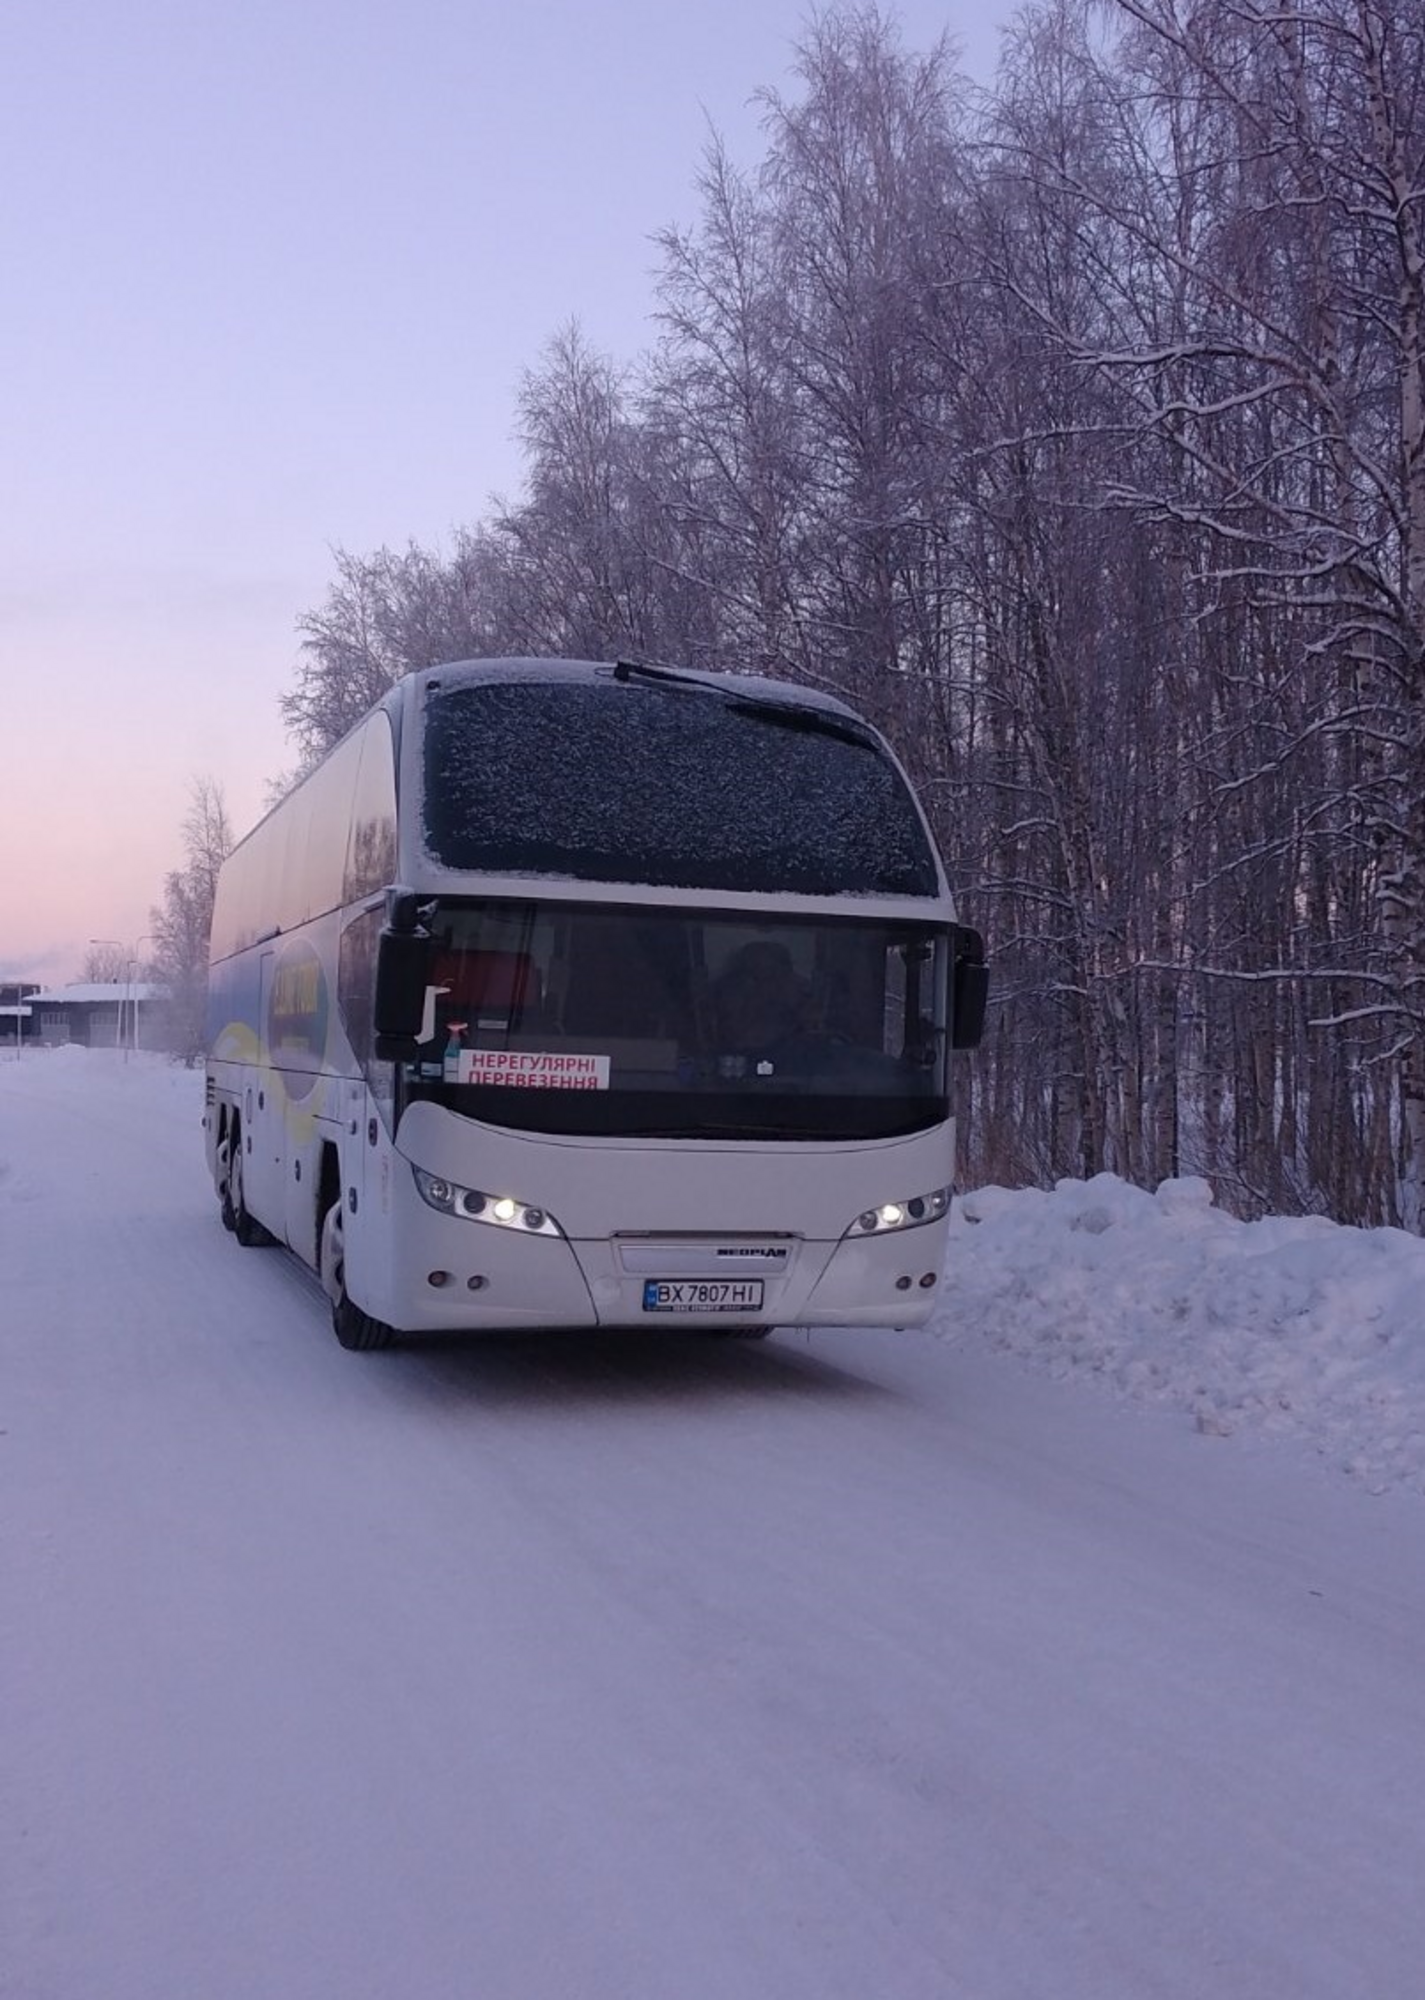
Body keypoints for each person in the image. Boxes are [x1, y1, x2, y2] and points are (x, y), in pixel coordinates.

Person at [713, 941, 811, 1052]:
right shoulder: (731, 991)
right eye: (755, 971)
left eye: (772, 972)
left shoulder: (797, 988)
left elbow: (808, 1021)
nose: (765, 982)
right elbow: (737, 1034)